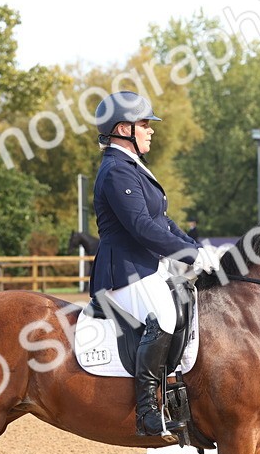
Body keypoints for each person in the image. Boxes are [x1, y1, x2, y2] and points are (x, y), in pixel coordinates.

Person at [90, 91, 220, 436]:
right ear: (123, 128)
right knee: (162, 315)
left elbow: (162, 222)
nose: (151, 130)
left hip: (148, 266)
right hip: (125, 272)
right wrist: (190, 255)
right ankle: (148, 412)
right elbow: (141, 228)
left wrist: (198, 249)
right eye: (144, 124)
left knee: (187, 304)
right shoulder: (116, 171)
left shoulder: (133, 167)